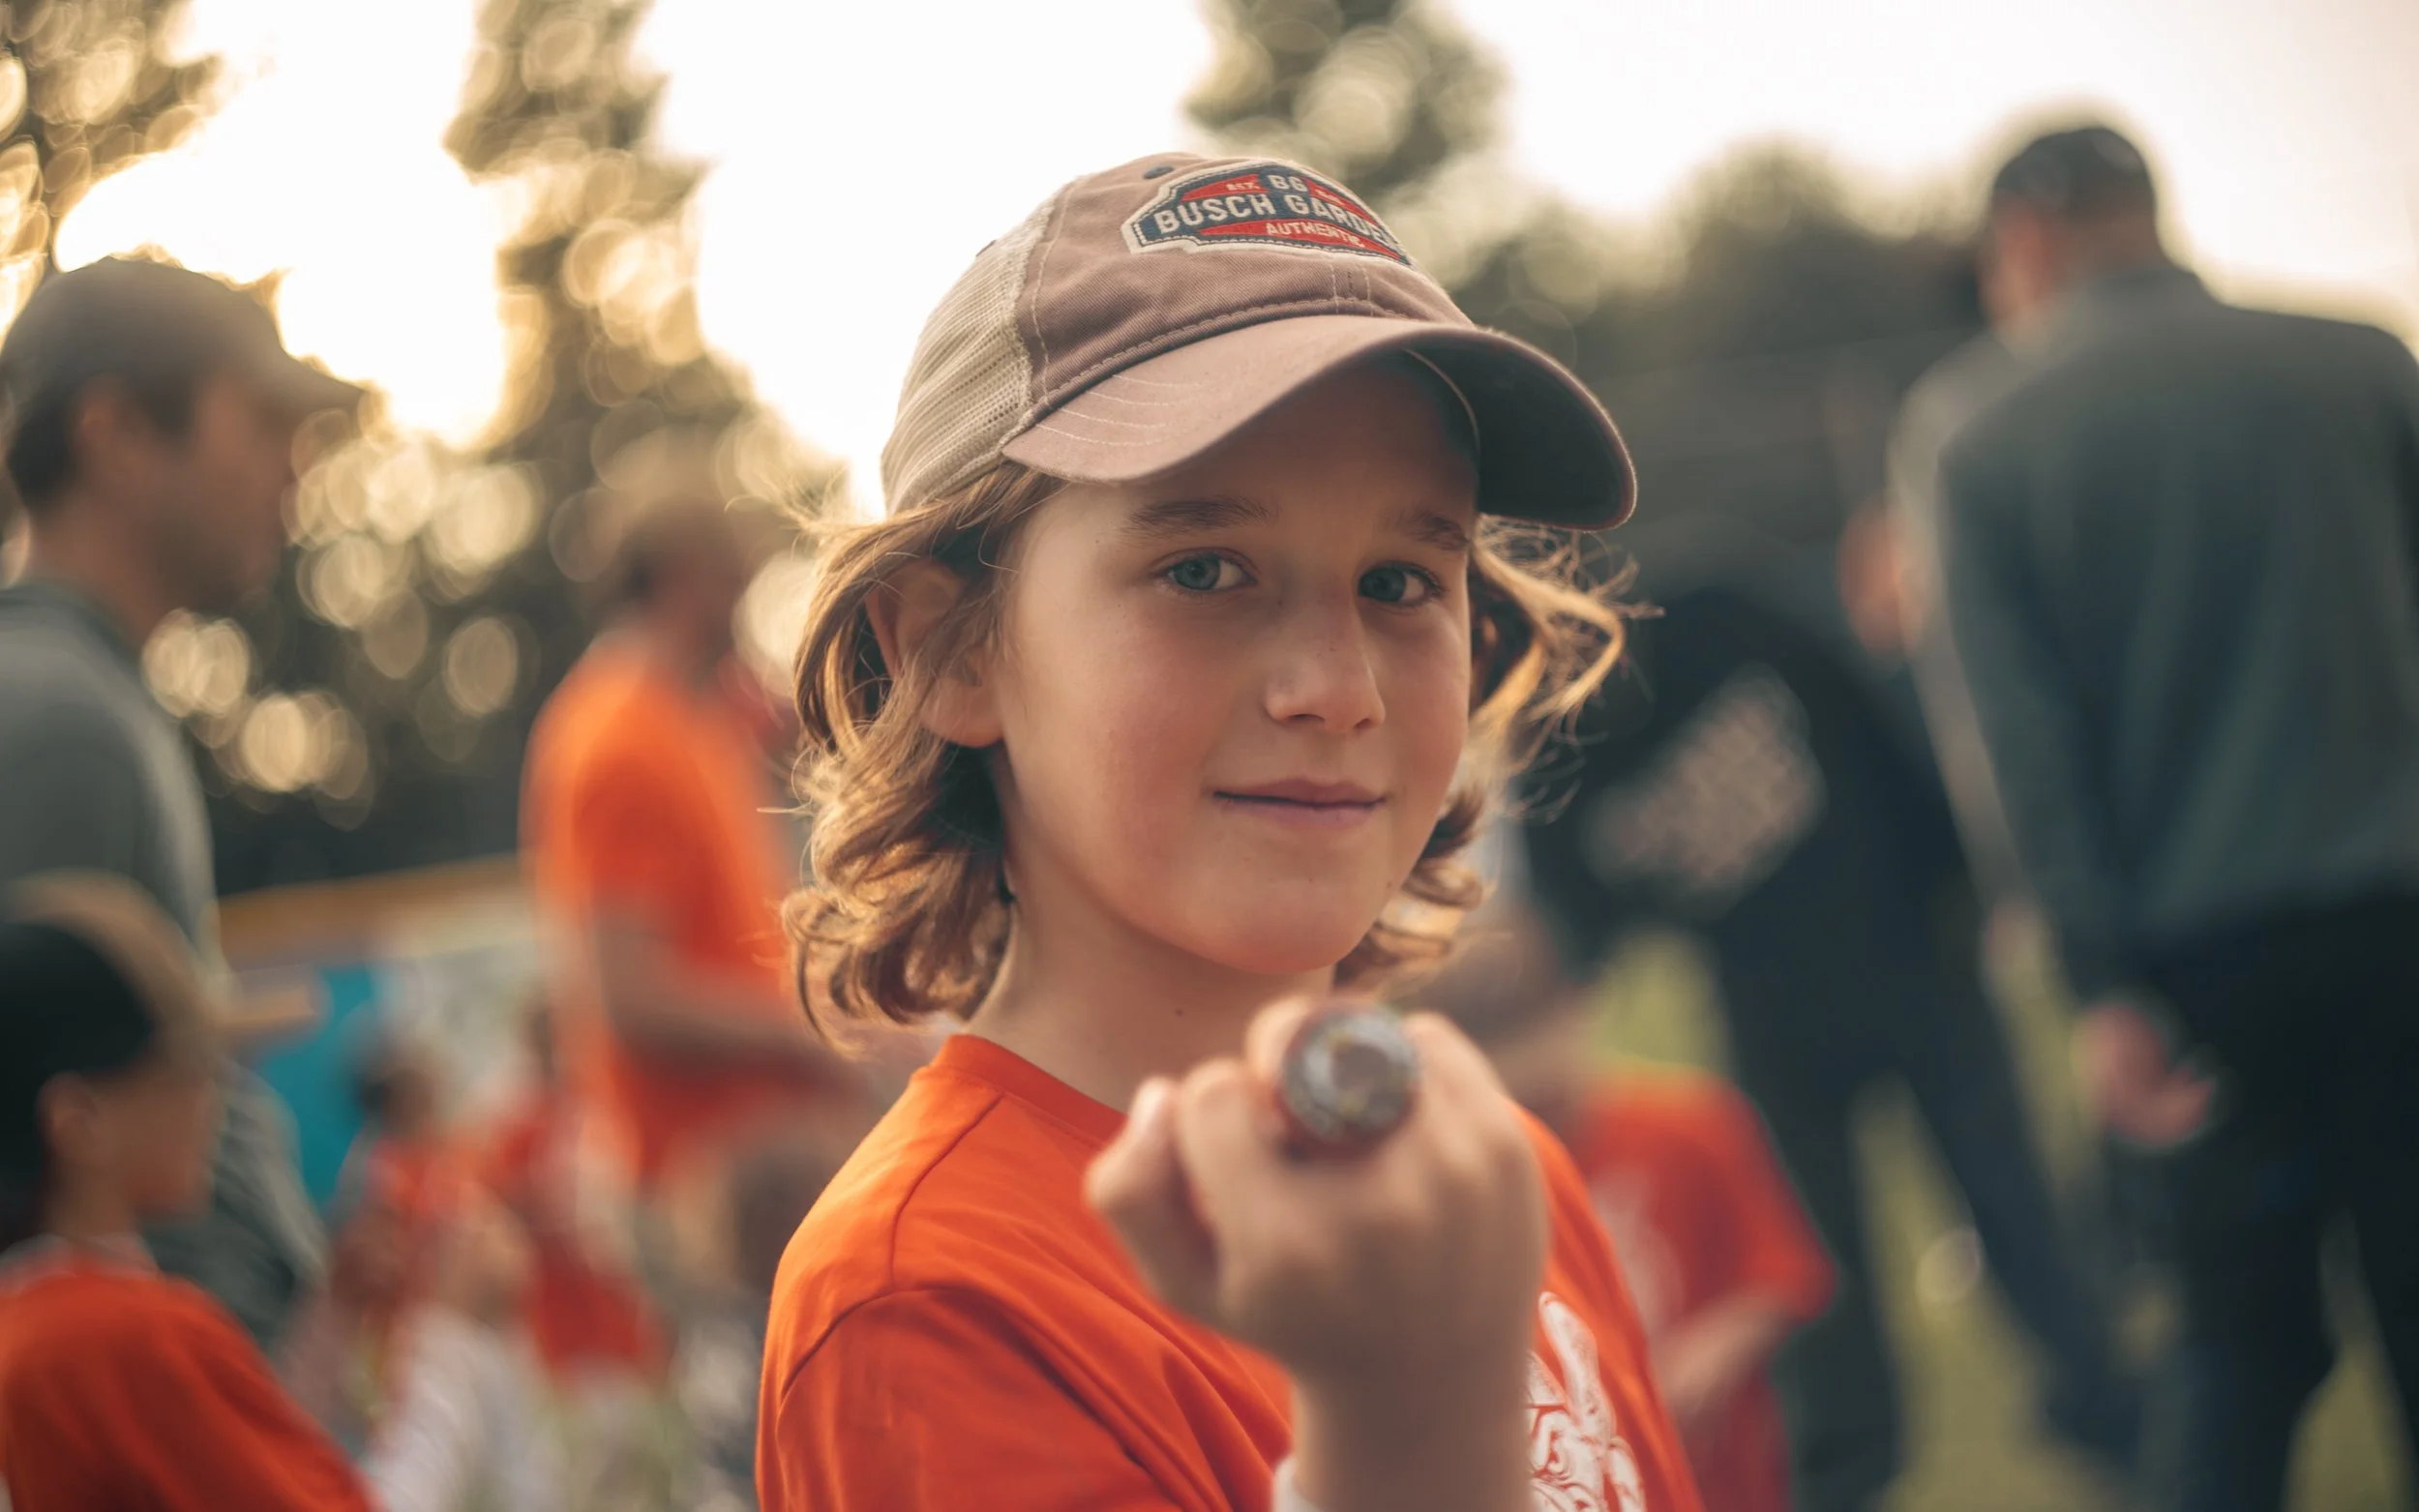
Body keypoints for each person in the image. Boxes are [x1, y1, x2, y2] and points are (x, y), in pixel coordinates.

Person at [756, 152, 1700, 1512]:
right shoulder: (927, 1297)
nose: (1336, 685)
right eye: (1202, 569)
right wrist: (1401, 1430)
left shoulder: (1483, 1173)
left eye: (1400, 580)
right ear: (946, 650)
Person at [1933, 123, 2419, 1511]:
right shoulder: (2364, 358)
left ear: (2023, 237)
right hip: (2403, 921)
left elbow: (2016, 750)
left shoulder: (1978, 433)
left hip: (2195, 965)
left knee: (2234, 1354)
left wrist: (2100, 986)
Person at [1518, 507, 2142, 1512]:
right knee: (1823, 1262)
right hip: (1772, 1020)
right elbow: (1581, 924)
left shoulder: (1722, 614)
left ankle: (2108, 1409)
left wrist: (1952, 882)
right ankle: (1852, 1467)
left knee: (2011, 1201)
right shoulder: (1554, 758)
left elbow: (1869, 717)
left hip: (1909, 958)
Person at [0, 255, 360, 1349]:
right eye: (258, 424)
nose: (293, 473)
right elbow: (48, 1170)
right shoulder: (58, 714)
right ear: (115, 435)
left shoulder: (90, 694)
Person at [1426, 904, 1834, 1512]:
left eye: (1548, 1073)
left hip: (1728, 1477)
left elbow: (1787, 1272)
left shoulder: (1694, 1126)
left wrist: (1715, 1344)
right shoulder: (1453, 1204)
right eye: (1516, 1093)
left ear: (1583, 1005)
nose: (1542, 1101)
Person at [0, 873, 372, 1510]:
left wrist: (337, 1316)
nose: (216, 1097)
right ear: (79, 1121)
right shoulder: (126, 1336)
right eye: (190, 1068)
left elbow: (231, 1458)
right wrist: (457, 1343)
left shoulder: (39, 1322)